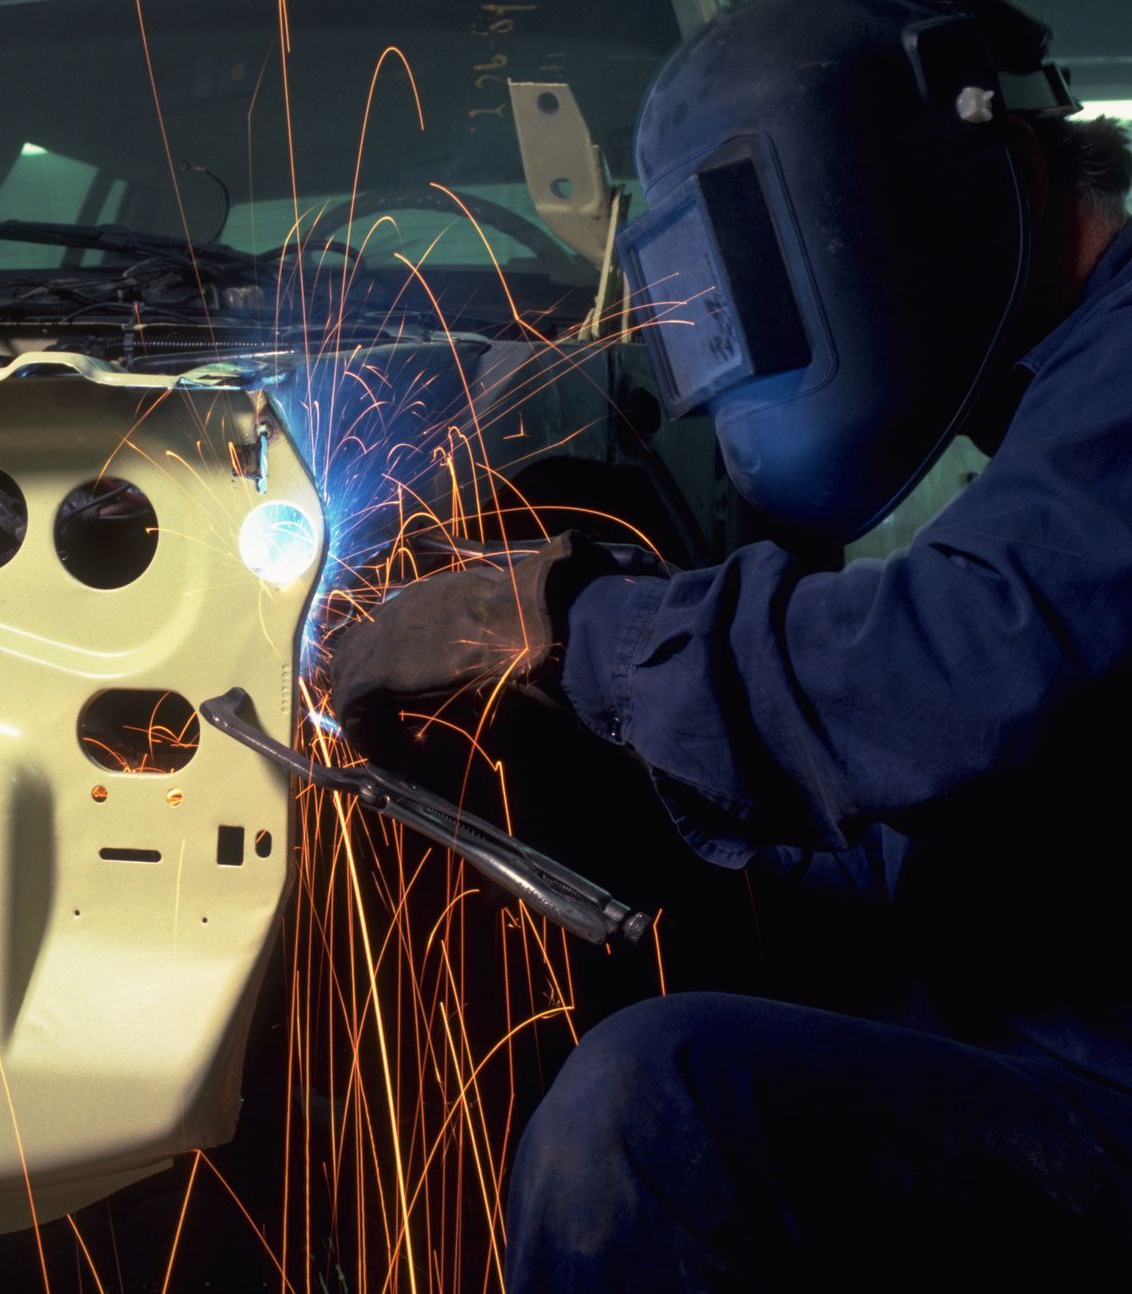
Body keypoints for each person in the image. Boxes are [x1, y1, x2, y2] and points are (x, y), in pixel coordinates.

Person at [328, 0, 1132, 1289]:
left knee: (660, 1113)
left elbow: (949, 671)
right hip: (1058, 1038)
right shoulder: (1056, 422)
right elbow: (956, 830)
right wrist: (595, 787)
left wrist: (559, 619)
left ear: (987, 180)